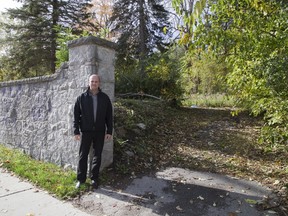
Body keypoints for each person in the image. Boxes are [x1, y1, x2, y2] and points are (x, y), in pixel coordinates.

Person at [73, 74, 113, 189]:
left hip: (100, 132)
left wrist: (109, 131)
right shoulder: (81, 98)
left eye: (96, 81)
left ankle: (94, 179)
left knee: (97, 155)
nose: (94, 83)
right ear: (88, 83)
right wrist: (76, 131)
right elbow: (76, 116)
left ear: (99, 83)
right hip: (86, 131)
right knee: (83, 155)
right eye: (92, 81)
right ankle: (81, 179)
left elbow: (109, 116)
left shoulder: (105, 98)